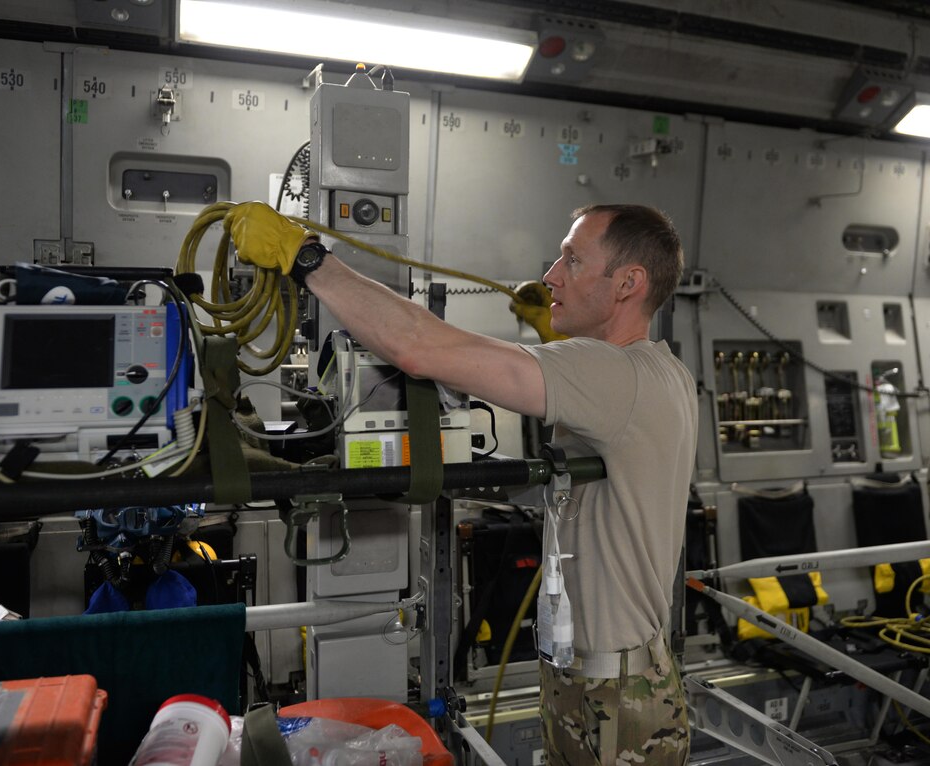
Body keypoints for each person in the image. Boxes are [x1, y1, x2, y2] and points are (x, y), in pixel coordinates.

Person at [226, 201, 699, 765]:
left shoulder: (615, 376)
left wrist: (304, 258)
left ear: (628, 283)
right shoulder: (657, 369)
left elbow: (420, 348)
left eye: (572, 260)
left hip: (614, 697)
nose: (550, 275)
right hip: (605, 679)